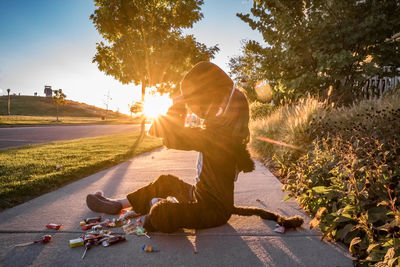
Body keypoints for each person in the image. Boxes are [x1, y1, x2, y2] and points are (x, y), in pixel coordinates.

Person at [86, 62, 303, 233]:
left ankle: (152, 212)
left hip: (213, 211)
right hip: (199, 195)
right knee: (166, 181)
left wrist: (180, 101)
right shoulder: (222, 135)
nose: (208, 111)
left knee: (163, 213)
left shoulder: (218, 139)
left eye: (215, 107)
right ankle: (119, 204)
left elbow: (168, 136)